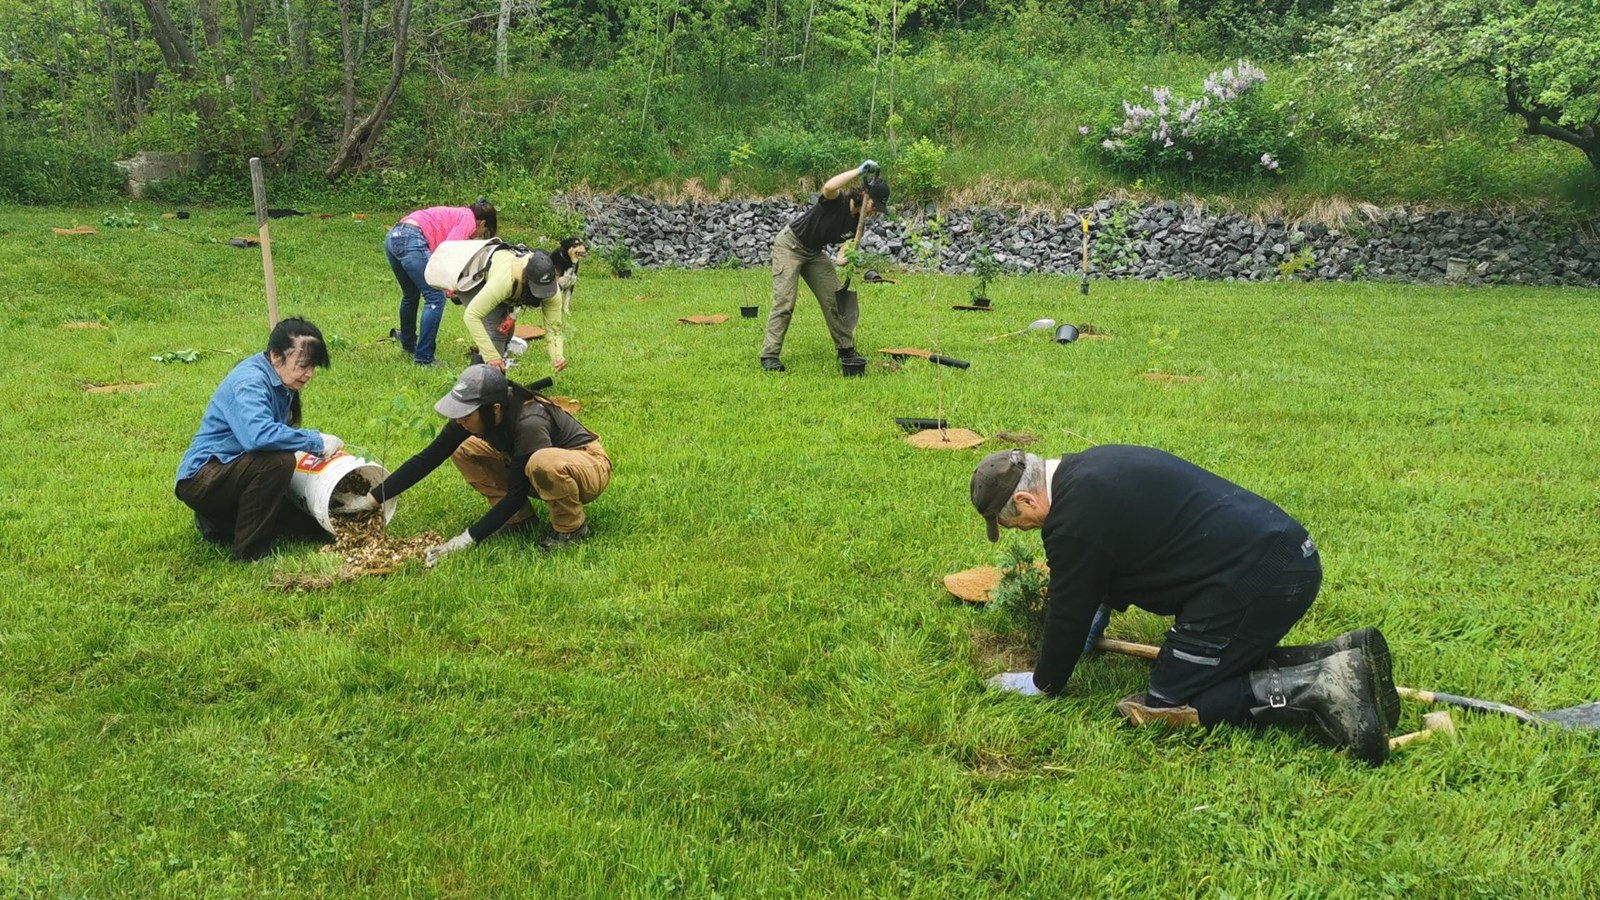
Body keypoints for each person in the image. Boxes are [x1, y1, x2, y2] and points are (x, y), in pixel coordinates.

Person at [970, 444, 1401, 766]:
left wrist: (1044, 682)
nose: (1023, 530)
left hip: (1257, 581)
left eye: (1017, 524)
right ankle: (1339, 656)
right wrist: (1096, 619)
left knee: (1164, 704)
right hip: (1283, 556)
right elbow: (1107, 563)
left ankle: (1321, 684)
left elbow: (1068, 607)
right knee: (1212, 663)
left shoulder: (1072, 521)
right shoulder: (1086, 468)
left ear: (1026, 501)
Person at [340, 364, 610, 559]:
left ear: (494, 409)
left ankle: (571, 528)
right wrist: (372, 499)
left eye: (466, 415)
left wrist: (466, 539)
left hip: (587, 465)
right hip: (534, 465)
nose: (460, 420)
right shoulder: (475, 416)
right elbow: (427, 459)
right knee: (465, 449)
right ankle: (520, 522)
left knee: (542, 462)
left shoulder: (529, 422)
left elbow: (516, 492)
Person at [174, 317, 344, 562]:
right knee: (278, 462)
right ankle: (250, 552)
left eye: (313, 367)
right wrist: (315, 441)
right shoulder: (250, 381)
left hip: (234, 468)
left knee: (312, 529)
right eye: (303, 365)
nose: (309, 374)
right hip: (203, 478)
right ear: (276, 356)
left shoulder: (281, 380)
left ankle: (220, 524)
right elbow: (259, 436)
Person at [760, 161, 890, 373]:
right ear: (864, 197)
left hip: (813, 253)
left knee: (836, 297)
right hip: (790, 246)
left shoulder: (859, 223)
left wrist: (850, 257)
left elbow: (839, 259)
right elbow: (829, 187)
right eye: (875, 205)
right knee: (785, 301)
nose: (875, 212)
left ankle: (846, 349)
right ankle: (770, 355)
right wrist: (858, 171)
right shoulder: (838, 201)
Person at [385, 200, 497, 367]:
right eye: (483, 231)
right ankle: (424, 359)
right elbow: (449, 250)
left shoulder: (457, 213)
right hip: (412, 239)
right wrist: (451, 287)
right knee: (435, 298)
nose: (478, 235)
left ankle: (409, 345)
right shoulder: (469, 220)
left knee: (411, 294)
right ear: (482, 223)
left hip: (394, 236)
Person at [461, 248, 565, 375]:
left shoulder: (552, 290)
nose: (541, 296)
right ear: (525, 279)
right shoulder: (504, 281)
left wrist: (557, 355)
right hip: (473, 273)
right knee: (495, 329)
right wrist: (491, 356)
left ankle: (494, 367)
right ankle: (482, 377)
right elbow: (471, 315)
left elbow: (554, 328)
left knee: (507, 331)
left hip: (504, 282)